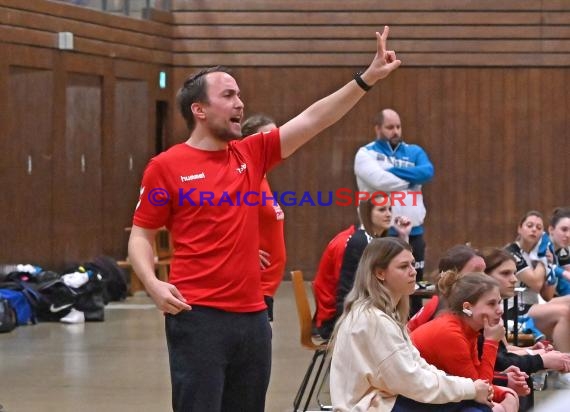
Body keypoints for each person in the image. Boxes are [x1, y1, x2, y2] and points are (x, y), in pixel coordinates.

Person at [127, 27, 401, 412]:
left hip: (253, 318)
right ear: (199, 110)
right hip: (197, 317)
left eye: (239, 95)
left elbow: (313, 119)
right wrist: (154, 284)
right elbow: (141, 235)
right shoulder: (166, 166)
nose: (240, 103)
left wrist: (366, 79)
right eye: (228, 95)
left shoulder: (250, 154)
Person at [330, 237, 494, 412]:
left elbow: (418, 365)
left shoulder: (382, 314)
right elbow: (413, 381)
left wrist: (469, 387)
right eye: (403, 266)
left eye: (413, 264)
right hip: (370, 406)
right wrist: (470, 388)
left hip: (385, 400)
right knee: (475, 409)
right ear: (380, 273)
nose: (413, 271)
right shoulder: (373, 320)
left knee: (474, 405)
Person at [354, 108, 434, 314]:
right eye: (390, 127)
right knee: (381, 285)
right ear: (378, 128)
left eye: (398, 126)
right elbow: (377, 180)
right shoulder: (366, 153)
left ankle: (413, 332)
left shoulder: (414, 151)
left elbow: (427, 172)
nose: (395, 131)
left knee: (412, 285)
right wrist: (412, 179)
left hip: (413, 232)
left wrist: (391, 172)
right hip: (381, 232)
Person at [411, 272, 519, 412]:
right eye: (491, 304)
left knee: (508, 397)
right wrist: (491, 342)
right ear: (467, 308)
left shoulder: (468, 329)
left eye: (499, 302)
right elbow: (480, 389)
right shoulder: (450, 333)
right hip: (411, 398)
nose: (500, 310)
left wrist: (505, 393)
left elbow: (479, 381)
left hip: (436, 392)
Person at [482, 248, 570, 398]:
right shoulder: (484, 313)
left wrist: (533, 349)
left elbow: (506, 350)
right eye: (505, 273)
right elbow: (500, 361)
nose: (514, 279)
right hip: (483, 386)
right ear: (485, 275)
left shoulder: (494, 310)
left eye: (514, 273)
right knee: (564, 312)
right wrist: (541, 358)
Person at [334, 196, 412, 333]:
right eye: (382, 210)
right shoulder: (361, 241)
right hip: (353, 313)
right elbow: (356, 289)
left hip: (370, 307)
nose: (388, 214)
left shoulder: (378, 240)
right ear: (367, 214)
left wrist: (404, 236)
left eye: (389, 209)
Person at [504, 211, 570, 354]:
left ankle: (560, 367)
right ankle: (565, 367)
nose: (534, 229)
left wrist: (550, 266)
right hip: (512, 310)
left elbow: (547, 295)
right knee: (563, 312)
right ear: (519, 228)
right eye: (530, 225)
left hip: (531, 306)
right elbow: (535, 283)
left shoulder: (536, 255)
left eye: (539, 227)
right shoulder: (511, 252)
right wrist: (542, 261)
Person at [241, 114, 286, 321]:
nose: (273, 142)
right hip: (252, 285)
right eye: (266, 137)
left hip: (267, 287)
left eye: (275, 136)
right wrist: (243, 249)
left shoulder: (262, 178)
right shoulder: (245, 179)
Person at [408, 244, 486, 332]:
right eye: (476, 272)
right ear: (451, 277)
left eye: (485, 271)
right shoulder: (441, 310)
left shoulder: (473, 306)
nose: (485, 278)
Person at [313, 223, 357, 339]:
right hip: (333, 319)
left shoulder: (355, 237)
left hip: (340, 311)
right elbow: (345, 289)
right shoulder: (347, 243)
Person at [548, 207, 570, 296]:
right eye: (564, 229)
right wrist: (564, 273)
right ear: (551, 230)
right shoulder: (540, 245)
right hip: (521, 302)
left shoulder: (563, 250)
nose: (568, 235)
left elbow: (565, 285)